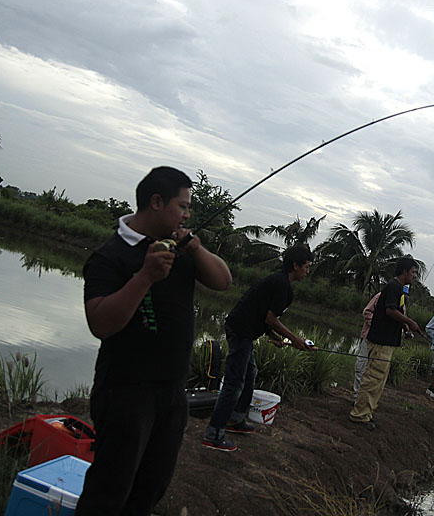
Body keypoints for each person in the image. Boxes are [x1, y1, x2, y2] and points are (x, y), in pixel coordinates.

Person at [76, 166, 232, 516]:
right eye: (183, 205)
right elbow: (100, 323)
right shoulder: (110, 255)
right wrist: (145, 276)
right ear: (157, 202)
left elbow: (223, 281)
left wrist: (194, 246)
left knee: (150, 488)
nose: (188, 214)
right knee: (109, 489)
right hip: (125, 391)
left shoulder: (181, 250)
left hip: (173, 391)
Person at [202, 244, 316, 451]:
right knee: (234, 384)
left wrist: (272, 335)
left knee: (250, 373)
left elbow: (263, 315)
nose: (308, 271)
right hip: (240, 330)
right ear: (295, 265)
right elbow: (271, 319)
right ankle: (213, 433)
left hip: (246, 330)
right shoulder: (281, 284)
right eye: (306, 267)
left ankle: (235, 419)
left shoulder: (281, 284)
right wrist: (295, 339)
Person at [349, 256, 421, 428]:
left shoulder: (398, 290)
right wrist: (410, 322)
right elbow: (390, 311)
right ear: (404, 271)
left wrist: (405, 326)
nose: (413, 276)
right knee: (372, 378)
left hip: (387, 342)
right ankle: (359, 414)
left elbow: (395, 313)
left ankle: (367, 412)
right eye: (412, 272)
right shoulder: (393, 287)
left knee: (378, 380)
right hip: (381, 341)